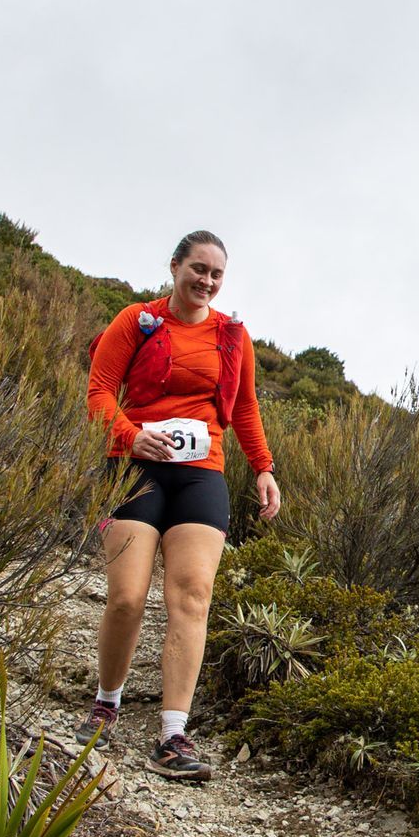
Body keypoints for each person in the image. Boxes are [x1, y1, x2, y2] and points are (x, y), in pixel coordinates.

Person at [78, 230, 280, 780]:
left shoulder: (233, 337)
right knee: (125, 598)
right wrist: (127, 434)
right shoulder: (137, 321)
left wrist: (262, 467)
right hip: (135, 468)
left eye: (217, 274)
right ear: (174, 267)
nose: (207, 282)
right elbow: (99, 390)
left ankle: (173, 734)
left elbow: (244, 408)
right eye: (199, 269)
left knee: (192, 597)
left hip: (201, 475)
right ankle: (106, 703)